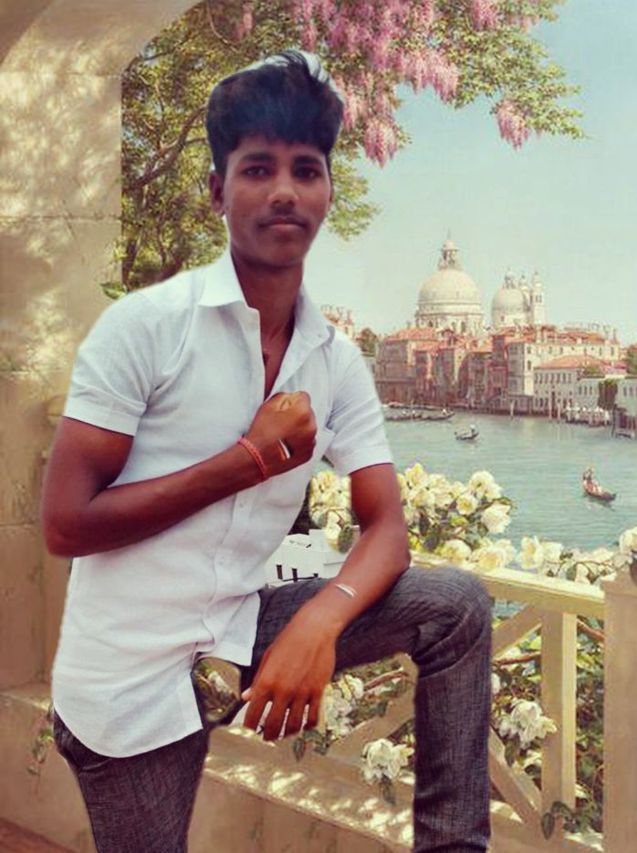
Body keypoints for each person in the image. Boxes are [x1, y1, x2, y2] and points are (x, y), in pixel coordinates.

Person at [42, 52, 492, 852]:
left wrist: (322, 617)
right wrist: (246, 461)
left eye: (305, 170)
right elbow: (65, 524)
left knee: (458, 604)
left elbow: (387, 527)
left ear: (327, 191)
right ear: (217, 191)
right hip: (129, 677)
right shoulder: (146, 328)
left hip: (243, 624)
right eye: (258, 169)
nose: (285, 190)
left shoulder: (336, 361)